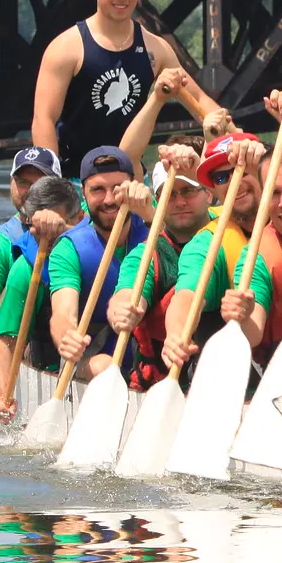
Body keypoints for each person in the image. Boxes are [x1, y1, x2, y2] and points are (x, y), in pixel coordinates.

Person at [30, 0, 219, 178]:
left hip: (132, 181)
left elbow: (200, 101)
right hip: (76, 181)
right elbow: (43, 119)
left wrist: (232, 135)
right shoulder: (66, 47)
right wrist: (52, 186)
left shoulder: (156, 49)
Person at [159, 133, 272, 375]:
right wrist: (176, 335)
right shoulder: (207, 243)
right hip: (243, 380)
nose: (234, 182)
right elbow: (187, 295)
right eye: (222, 177)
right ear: (212, 189)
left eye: (243, 169)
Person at [107, 144, 212, 389]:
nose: (180, 201)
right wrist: (121, 311)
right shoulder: (145, 256)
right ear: (158, 201)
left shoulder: (230, 230)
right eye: (170, 194)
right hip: (166, 382)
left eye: (188, 191)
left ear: (208, 194)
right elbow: (125, 296)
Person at [49, 147, 153, 384]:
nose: (109, 199)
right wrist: (67, 337)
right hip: (94, 361)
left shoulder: (154, 227)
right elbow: (63, 314)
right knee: (106, 367)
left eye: (117, 188)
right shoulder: (69, 249)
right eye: (98, 190)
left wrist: (150, 212)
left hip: (154, 362)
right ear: (83, 194)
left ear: (133, 187)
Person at [0, 177, 84, 422]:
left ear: (80, 219)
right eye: (39, 230)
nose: (47, 239)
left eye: (55, 229)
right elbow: (3, 342)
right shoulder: (25, 272)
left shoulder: (99, 249)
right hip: (50, 364)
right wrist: (2, 396)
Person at [0, 146, 64, 368]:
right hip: (30, 342)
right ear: (11, 184)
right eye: (23, 182)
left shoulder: (86, 219)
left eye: (40, 184)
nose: (30, 191)